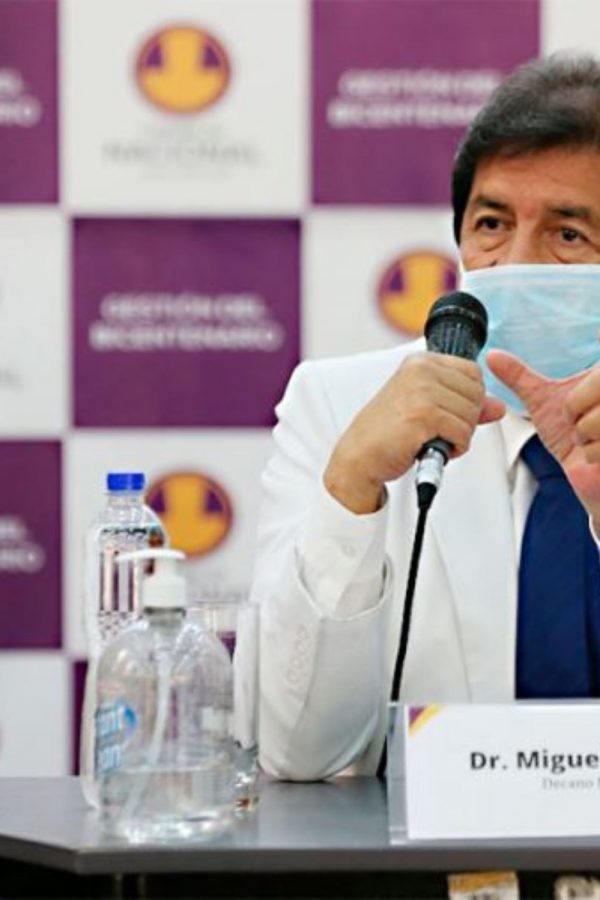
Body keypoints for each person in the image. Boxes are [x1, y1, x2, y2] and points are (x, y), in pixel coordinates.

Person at [251, 54, 600, 780]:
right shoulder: (339, 405)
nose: (512, 263)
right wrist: (351, 487)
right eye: (491, 224)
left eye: (568, 234)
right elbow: (300, 755)